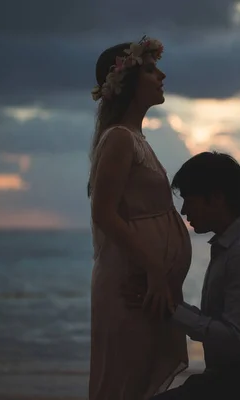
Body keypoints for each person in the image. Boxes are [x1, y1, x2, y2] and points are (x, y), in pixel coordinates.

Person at [128, 152, 240, 400]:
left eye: (190, 198)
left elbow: (232, 338)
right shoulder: (231, 245)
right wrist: (168, 306)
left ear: (217, 198)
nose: (184, 209)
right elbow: (221, 326)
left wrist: (171, 311)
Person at [87, 36, 192, 400]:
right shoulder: (119, 138)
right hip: (132, 284)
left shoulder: (136, 138)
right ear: (127, 83)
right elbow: (104, 212)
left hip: (147, 285)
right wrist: (154, 268)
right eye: (150, 70)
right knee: (123, 385)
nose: (161, 75)